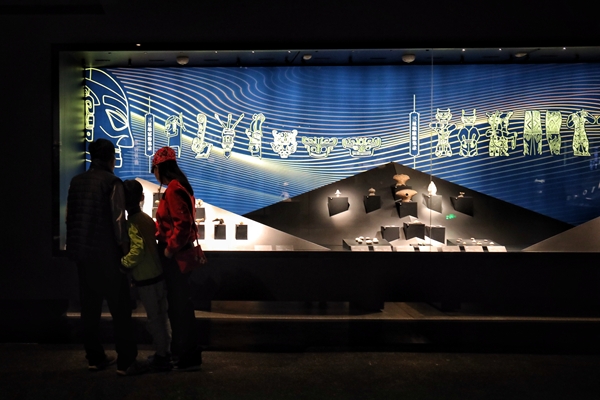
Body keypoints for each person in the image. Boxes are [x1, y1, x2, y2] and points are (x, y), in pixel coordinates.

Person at [66, 138, 145, 376]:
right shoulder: (112, 182)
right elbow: (118, 221)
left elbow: (71, 217)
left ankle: (95, 357)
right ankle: (126, 361)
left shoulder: (76, 181)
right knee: (120, 310)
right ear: (111, 159)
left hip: (83, 255)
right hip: (107, 256)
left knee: (89, 309)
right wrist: (125, 255)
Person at [152, 146, 203, 371]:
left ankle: (187, 354)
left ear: (160, 168)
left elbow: (182, 226)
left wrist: (169, 250)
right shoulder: (181, 186)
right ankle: (185, 353)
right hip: (180, 254)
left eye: (154, 169)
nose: (154, 174)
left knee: (179, 307)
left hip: (176, 256)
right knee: (181, 305)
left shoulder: (173, 189)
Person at [121, 179, 172, 372]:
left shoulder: (131, 223)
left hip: (145, 278)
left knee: (154, 319)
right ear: (142, 197)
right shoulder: (146, 219)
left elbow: (137, 250)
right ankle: (165, 352)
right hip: (158, 275)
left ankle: (161, 357)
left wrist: (123, 264)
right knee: (162, 316)